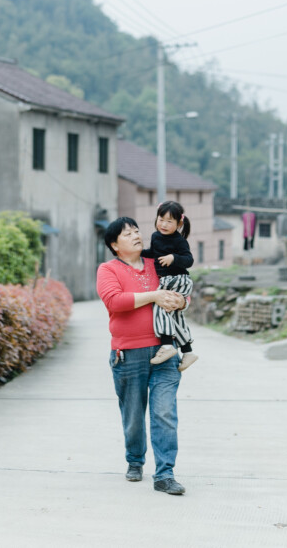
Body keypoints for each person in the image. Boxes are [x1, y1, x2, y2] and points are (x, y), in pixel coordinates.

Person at [96, 216, 187, 495]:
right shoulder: (108, 269)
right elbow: (115, 301)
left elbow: (180, 284)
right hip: (127, 354)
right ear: (114, 244)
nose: (136, 235)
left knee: (164, 413)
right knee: (134, 415)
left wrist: (182, 300)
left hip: (165, 352)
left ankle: (165, 474)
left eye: (137, 231)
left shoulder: (156, 263)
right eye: (128, 234)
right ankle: (135, 460)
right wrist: (154, 295)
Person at [142, 201, 198, 372]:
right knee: (174, 316)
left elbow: (189, 260)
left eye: (169, 221)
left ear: (179, 224)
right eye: (161, 219)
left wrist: (173, 257)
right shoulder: (155, 236)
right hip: (168, 280)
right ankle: (188, 351)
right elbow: (153, 253)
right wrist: (137, 253)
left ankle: (167, 345)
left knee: (161, 306)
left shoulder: (179, 241)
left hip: (178, 279)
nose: (164, 225)